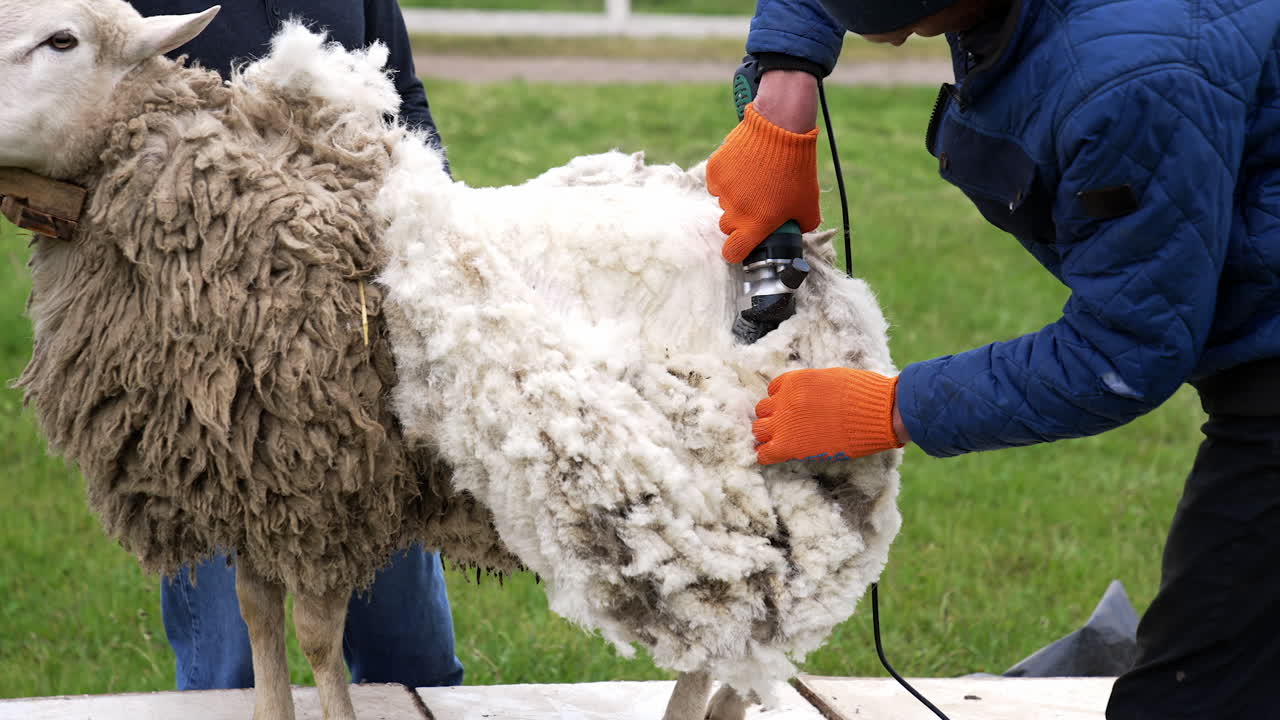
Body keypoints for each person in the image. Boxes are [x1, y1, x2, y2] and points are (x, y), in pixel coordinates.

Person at [707, 0, 1280, 717]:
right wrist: (784, 83)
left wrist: (891, 406)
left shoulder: (1125, 84)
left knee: (1195, 699)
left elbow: (1125, 352)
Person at [126, 0, 463, 691]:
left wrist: (438, 208)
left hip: (357, 340)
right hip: (208, 355)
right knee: (240, 666)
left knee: (412, 662)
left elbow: (402, 94)